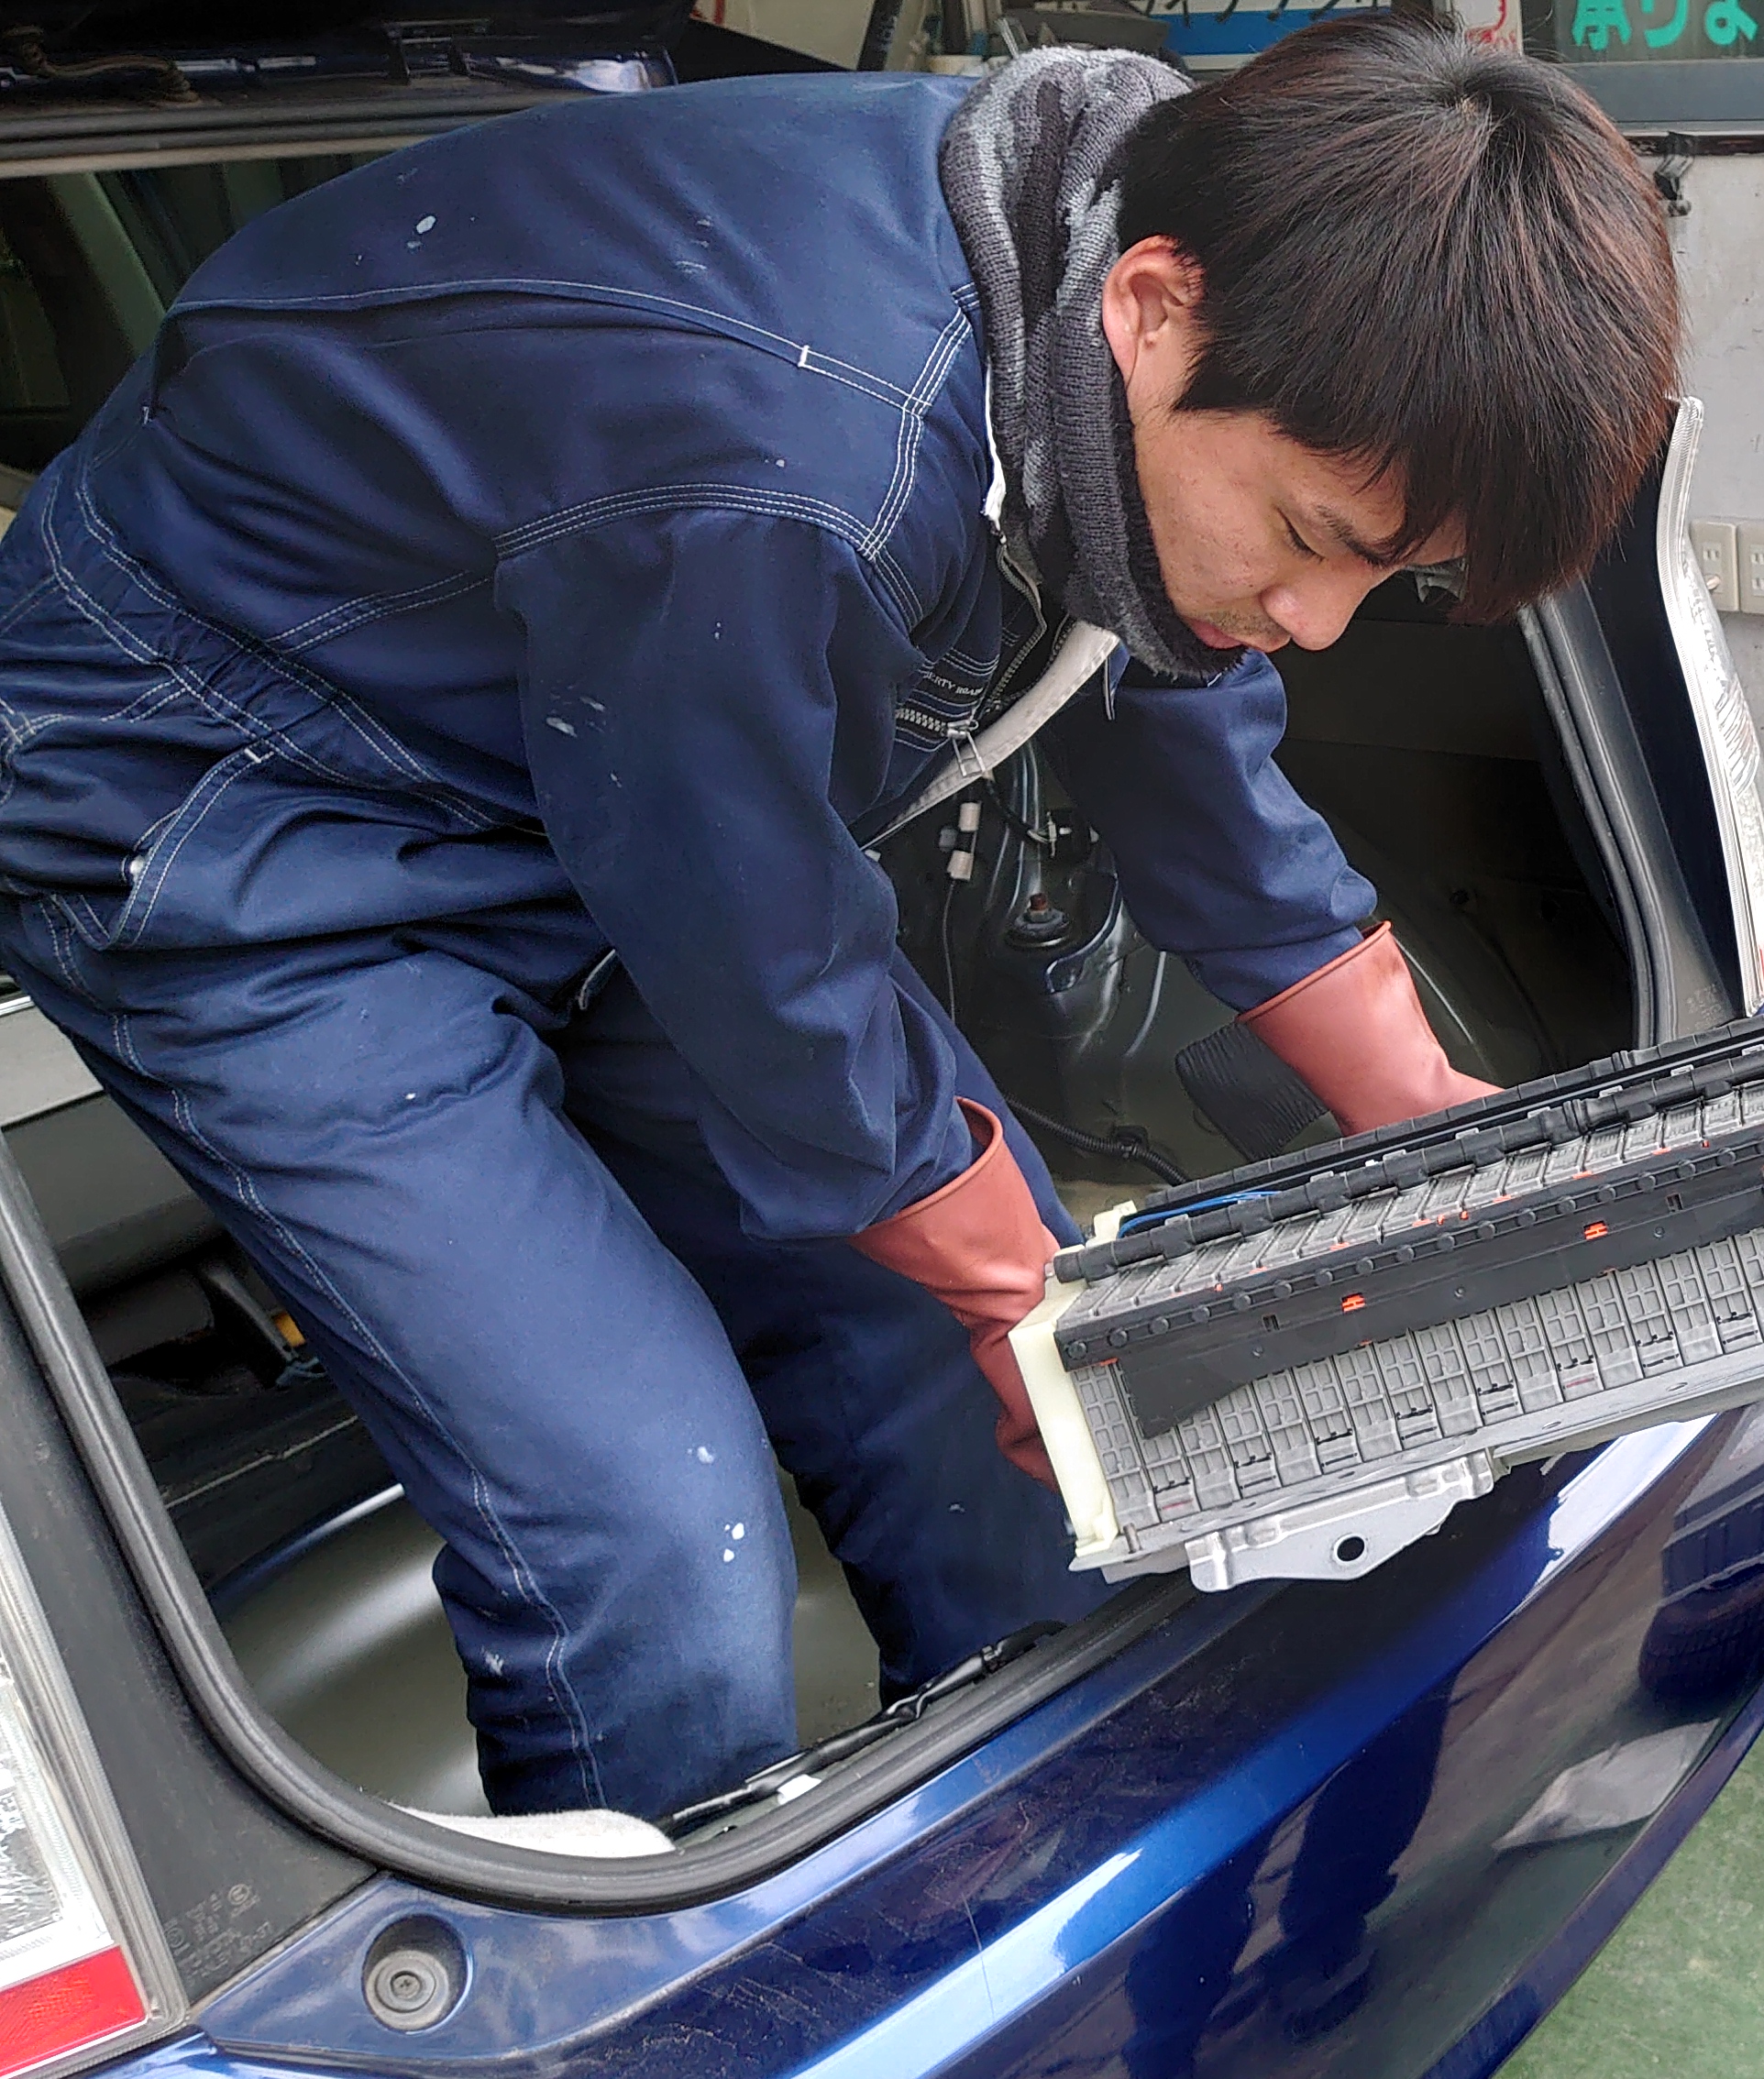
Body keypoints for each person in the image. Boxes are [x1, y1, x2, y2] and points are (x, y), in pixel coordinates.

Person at [0, 21, 1679, 1822]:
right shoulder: (801, 458)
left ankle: (1042, 1858)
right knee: (650, 1526)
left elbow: (1173, 710)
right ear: (1151, 310)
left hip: (591, 768)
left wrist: (1420, 1110)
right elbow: (759, 952)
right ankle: (685, 1933)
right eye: (1314, 535)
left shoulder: (1140, 251)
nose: (1321, 618)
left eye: (1384, 570)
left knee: (1010, 1404)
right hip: (244, 810)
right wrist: (1019, 1290)